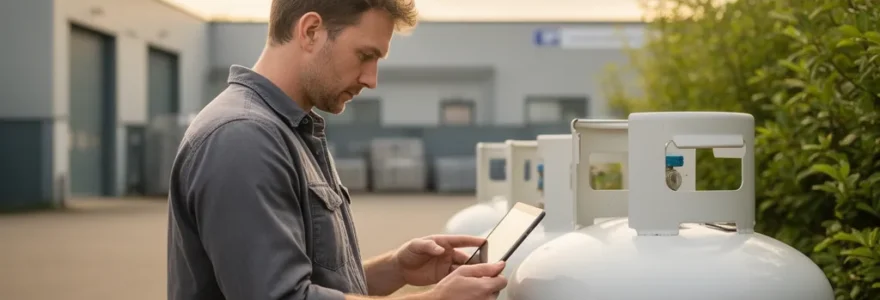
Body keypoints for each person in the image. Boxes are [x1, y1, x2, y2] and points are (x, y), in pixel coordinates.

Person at [166, 0, 509, 299]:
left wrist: (396, 268)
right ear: (311, 31)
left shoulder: (290, 131)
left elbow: (305, 281)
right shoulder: (243, 139)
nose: (371, 79)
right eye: (365, 55)